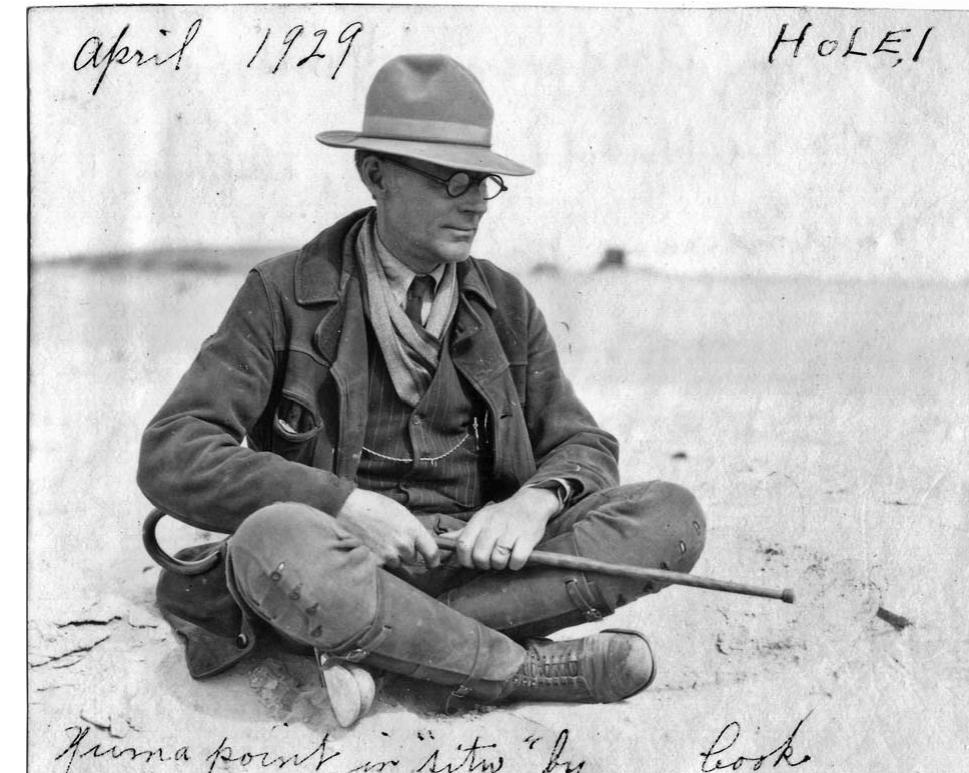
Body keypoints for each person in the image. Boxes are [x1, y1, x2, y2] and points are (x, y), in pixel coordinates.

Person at [138, 54, 706, 725]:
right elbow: (173, 452)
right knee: (274, 538)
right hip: (341, 561)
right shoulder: (283, 292)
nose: (472, 200)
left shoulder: (506, 303)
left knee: (671, 516)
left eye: (484, 182)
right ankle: (516, 667)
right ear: (374, 174)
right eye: (449, 179)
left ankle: (393, 650)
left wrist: (530, 503)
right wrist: (343, 503)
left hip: (479, 566)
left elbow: (581, 442)